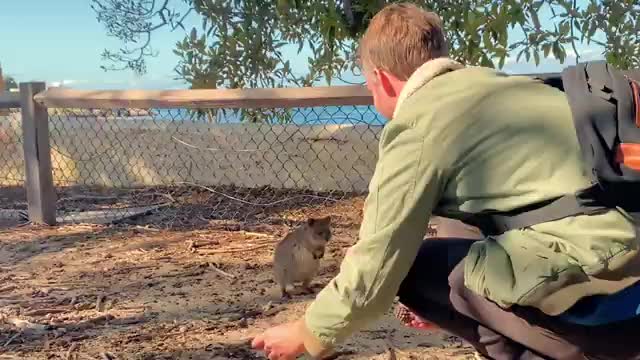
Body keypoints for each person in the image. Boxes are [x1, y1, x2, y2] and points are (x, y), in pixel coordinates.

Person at [252, 3, 640, 360]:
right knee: (457, 240)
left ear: (382, 80)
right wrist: (457, 308)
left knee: (415, 267)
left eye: (369, 87)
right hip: (623, 247)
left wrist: (308, 331)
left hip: (607, 279)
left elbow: (377, 261)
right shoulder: (497, 85)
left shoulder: (419, 123)